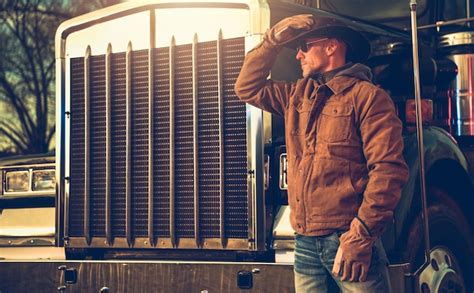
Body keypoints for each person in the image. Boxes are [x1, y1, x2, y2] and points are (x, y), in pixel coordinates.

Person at [234, 14, 409, 292]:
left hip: (348, 239)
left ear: (331, 47)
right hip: (304, 242)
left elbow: (388, 170)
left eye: (305, 46)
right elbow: (247, 87)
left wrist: (360, 236)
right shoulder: (297, 96)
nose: (298, 55)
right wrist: (272, 41)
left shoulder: (368, 97)